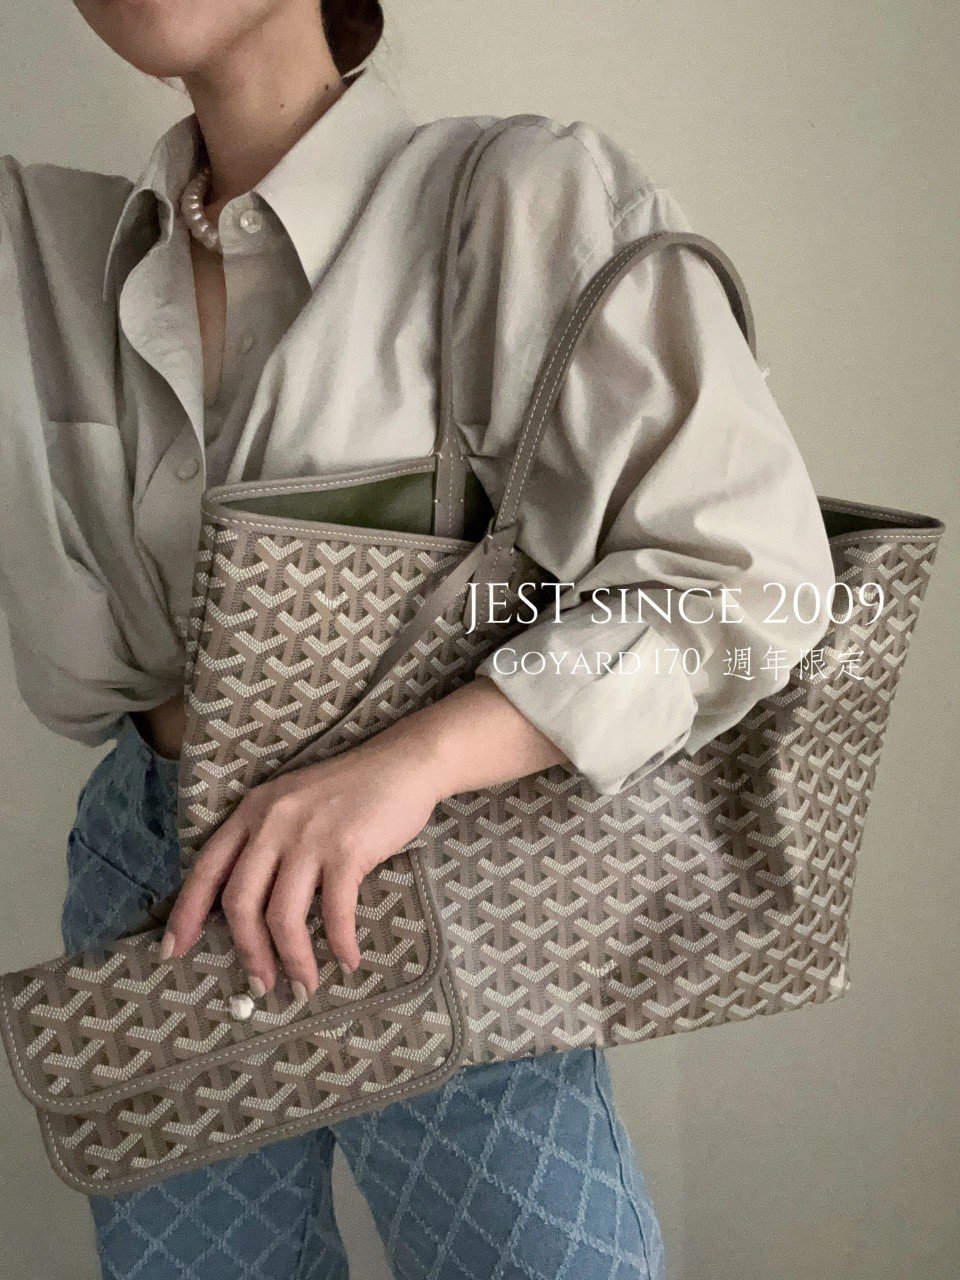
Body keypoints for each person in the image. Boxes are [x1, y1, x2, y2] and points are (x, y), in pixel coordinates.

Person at [0, 1, 836, 1277]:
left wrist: (417, 763)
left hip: (445, 882)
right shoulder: (53, 256)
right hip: (149, 888)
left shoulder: (519, 202)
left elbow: (749, 575)